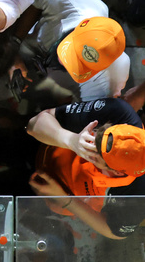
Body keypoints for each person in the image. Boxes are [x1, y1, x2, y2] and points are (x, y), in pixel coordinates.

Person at [26, 96, 145, 239]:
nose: (91, 143)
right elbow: (33, 124)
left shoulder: (138, 194)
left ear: (117, 172)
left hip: (48, 199)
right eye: (98, 134)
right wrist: (71, 140)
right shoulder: (118, 112)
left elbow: (115, 232)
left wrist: (65, 199)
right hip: (42, 144)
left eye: (95, 154)